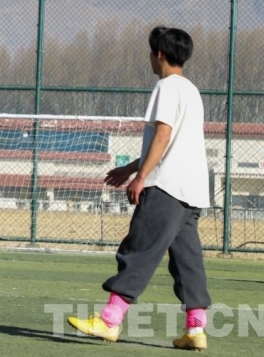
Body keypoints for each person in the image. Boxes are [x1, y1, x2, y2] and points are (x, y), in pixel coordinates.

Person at [67, 26, 212, 350]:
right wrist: (132, 167)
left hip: (166, 188)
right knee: (188, 262)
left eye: (150, 52)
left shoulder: (166, 86)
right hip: (192, 191)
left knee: (139, 250)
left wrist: (141, 176)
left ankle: (109, 321)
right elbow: (174, 143)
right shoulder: (191, 91)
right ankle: (196, 330)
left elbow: (163, 135)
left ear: (158, 54)